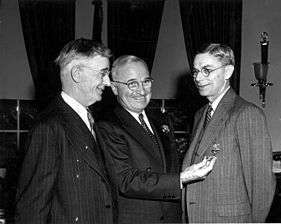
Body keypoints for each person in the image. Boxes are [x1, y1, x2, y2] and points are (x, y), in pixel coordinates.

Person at [97, 55, 216, 224]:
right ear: (115, 88)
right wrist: (182, 178)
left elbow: (169, 168)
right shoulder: (107, 126)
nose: (142, 90)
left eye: (146, 81)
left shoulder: (161, 120)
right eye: (132, 84)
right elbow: (126, 181)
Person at [15, 38, 118, 224]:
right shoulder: (49, 127)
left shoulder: (91, 120)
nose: (108, 82)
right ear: (77, 74)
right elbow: (32, 208)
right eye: (102, 73)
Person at [182, 43, 276, 223]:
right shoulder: (200, 114)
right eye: (195, 71)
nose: (198, 78)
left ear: (227, 72)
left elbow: (262, 185)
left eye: (206, 70)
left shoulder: (247, 114)